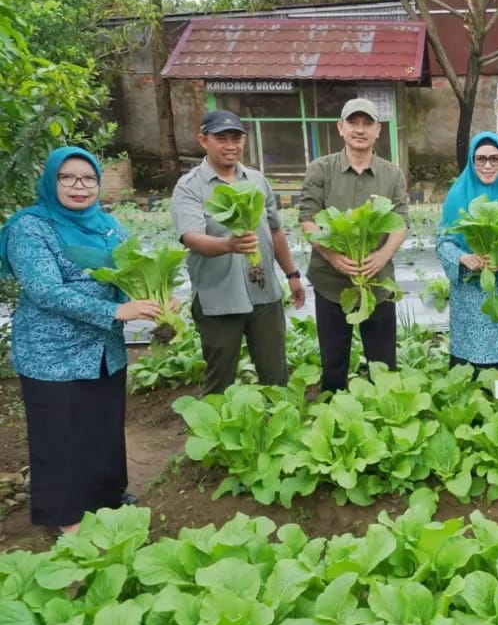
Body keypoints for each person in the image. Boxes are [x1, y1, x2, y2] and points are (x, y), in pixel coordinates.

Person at [0, 147, 163, 535]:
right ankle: (65, 516)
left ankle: (105, 497)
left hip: (103, 351)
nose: (79, 186)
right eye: (68, 177)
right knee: (60, 434)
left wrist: (153, 300)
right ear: (52, 180)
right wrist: (115, 312)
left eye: (88, 178)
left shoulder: (108, 227)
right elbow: (45, 291)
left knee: (101, 427)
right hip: (51, 352)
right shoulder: (31, 227)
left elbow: (128, 276)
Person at [172, 110, 305, 396]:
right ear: (203, 140)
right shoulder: (190, 186)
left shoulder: (256, 180)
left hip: (264, 291)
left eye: (236, 138)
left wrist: (292, 274)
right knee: (220, 375)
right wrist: (228, 246)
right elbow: (191, 237)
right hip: (218, 295)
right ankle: (217, 433)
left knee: (275, 372)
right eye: (221, 138)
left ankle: (277, 427)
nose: (230, 145)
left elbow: (275, 230)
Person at [299, 98, 409, 392]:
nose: (360, 130)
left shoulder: (392, 174)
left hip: (378, 282)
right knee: (334, 362)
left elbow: (401, 221)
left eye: (367, 123)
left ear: (378, 130)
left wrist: (382, 257)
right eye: (353, 123)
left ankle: (384, 412)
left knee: (382, 360)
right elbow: (307, 219)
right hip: (331, 282)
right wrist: (333, 256)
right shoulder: (321, 169)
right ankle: (334, 413)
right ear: (341, 128)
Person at [436, 132, 498, 376]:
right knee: (471, 354)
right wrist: (464, 258)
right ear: (471, 161)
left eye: (494, 159)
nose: (488, 165)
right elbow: (443, 241)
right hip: (471, 293)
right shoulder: (457, 195)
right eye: (480, 159)